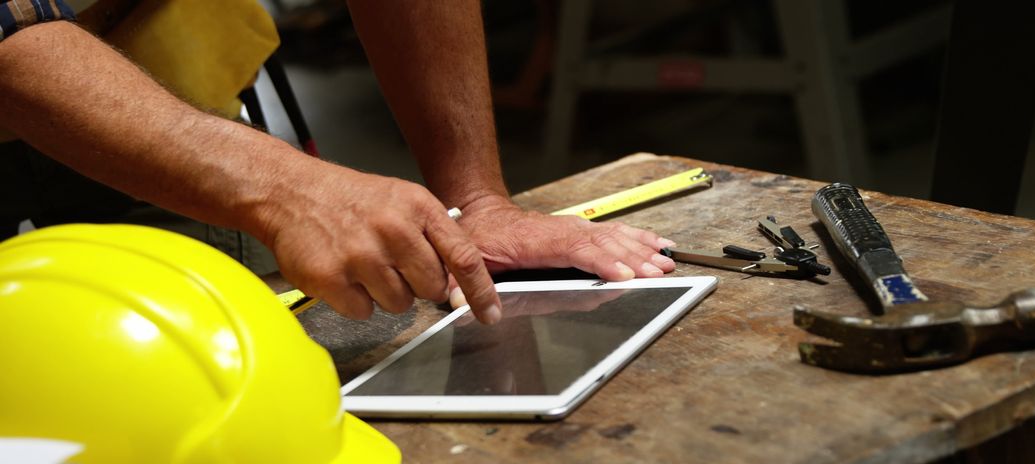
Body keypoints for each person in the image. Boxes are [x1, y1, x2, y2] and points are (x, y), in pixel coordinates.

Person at [0, 0, 677, 325]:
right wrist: (286, 192)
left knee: (239, 405)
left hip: (151, 93)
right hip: (43, 70)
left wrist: (476, 200)